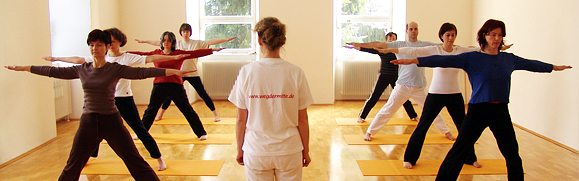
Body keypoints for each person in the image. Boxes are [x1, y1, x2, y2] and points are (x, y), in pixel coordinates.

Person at [390, 19, 572, 180]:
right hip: (478, 110)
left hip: (500, 111)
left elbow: (531, 64)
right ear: (484, 36)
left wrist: (553, 67)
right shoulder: (472, 58)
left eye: (500, 35)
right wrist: (414, 60)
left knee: (512, 154)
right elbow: (443, 60)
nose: (496, 38)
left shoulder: (509, 59)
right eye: (493, 34)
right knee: (459, 151)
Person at [4, 29, 197, 181]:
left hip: (111, 120)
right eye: (92, 45)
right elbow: (52, 72)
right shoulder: (82, 69)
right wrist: (25, 68)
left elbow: (142, 73)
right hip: (88, 121)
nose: (95, 48)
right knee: (73, 165)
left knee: (134, 160)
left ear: (106, 47)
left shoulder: (114, 69)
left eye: (99, 45)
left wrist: (173, 72)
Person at [376, 23, 487, 169]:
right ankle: (409, 158)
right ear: (441, 36)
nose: (450, 38)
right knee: (423, 126)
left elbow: (478, 50)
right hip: (436, 94)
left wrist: (497, 48)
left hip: (455, 95)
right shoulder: (435, 49)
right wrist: (390, 49)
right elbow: (413, 50)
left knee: (464, 128)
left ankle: (470, 158)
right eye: (447, 35)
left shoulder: (460, 51)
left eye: (453, 35)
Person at [228, 17, 313, 181]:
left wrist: (240, 149)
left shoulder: (247, 72)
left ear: (259, 40)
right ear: (282, 41)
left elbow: (240, 119)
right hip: (290, 150)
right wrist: (306, 150)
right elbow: (303, 119)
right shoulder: (296, 72)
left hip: (256, 151)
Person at [347, 22, 454, 141]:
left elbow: (445, 47)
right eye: (411, 29)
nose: (413, 31)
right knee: (388, 109)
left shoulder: (425, 45)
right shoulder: (399, 44)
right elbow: (378, 44)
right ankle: (369, 132)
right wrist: (360, 44)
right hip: (403, 85)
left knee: (431, 110)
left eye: (415, 29)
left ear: (418, 30)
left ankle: (446, 132)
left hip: (419, 87)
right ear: (407, 31)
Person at [128, 31, 222, 141]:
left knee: (187, 109)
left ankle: (201, 133)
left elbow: (195, 53)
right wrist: (123, 53)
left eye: (168, 40)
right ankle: (141, 134)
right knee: (151, 110)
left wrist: (212, 50)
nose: (166, 42)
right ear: (161, 42)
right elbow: (140, 54)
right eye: (164, 40)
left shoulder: (178, 54)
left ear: (173, 42)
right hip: (159, 85)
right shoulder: (157, 53)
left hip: (176, 85)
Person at [136, 23, 237, 121]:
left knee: (202, 93)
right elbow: (158, 42)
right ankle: (160, 114)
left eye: (187, 31)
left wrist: (225, 40)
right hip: (178, 73)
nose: (185, 33)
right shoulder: (176, 43)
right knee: (169, 95)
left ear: (190, 32)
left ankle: (215, 114)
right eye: (184, 31)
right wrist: (144, 41)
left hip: (192, 73)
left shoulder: (196, 43)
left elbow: (209, 43)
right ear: (181, 32)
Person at [348, 32, 419, 123]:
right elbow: (369, 49)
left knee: (403, 97)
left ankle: (413, 116)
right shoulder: (381, 49)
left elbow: (409, 53)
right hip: (384, 76)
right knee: (374, 97)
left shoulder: (398, 50)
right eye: (390, 39)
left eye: (394, 39)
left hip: (396, 77)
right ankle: (362, 116)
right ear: (386, 40)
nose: (392, 41)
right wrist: (356, 47)